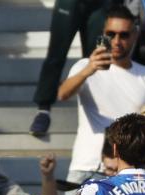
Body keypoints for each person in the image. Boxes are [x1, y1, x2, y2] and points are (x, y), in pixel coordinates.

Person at [57, 5, 145, 195]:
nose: (117, 41)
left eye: (124, 34)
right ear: (103, 34)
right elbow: (63, 94)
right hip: (88, 165)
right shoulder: (84, 66)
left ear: (135, 35)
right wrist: (88, 70)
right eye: (111, 34)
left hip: (135, 173)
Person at [29, 0, 110, 136]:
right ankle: (43, 109)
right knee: (56, 54)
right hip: (69, 3)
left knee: (98, 57)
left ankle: (98, 112)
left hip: (100, 5)